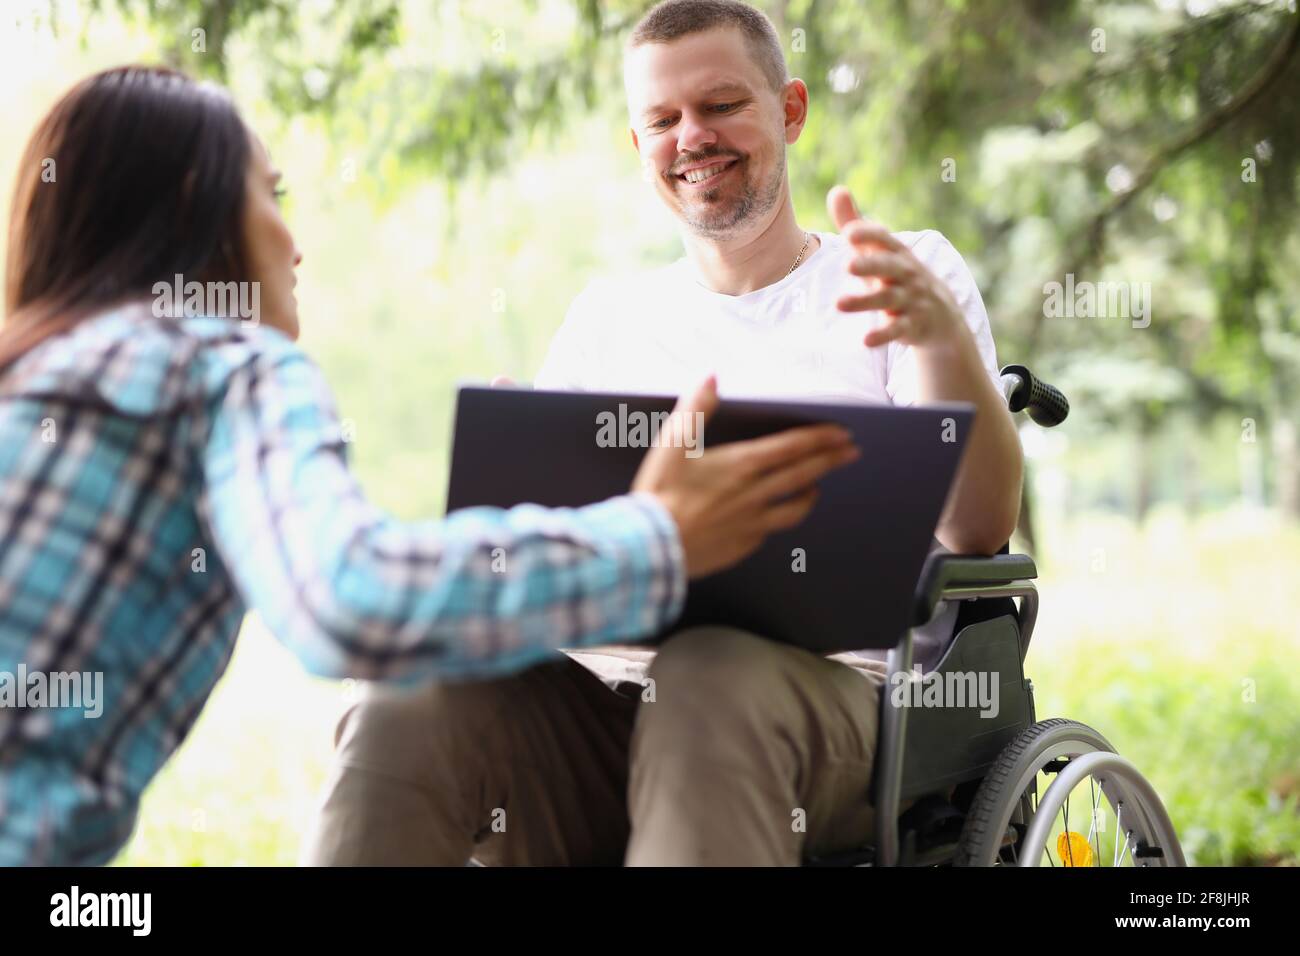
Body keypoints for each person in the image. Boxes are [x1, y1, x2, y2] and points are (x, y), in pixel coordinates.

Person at [0, 64, 858, 866]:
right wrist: (658, 537)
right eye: (272, 195)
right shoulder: (224, 368)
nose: (293, 245)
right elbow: (352, 603)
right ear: (200, 207)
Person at [305, 0, 1023, 866]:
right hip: (604, 711)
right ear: (637, 145)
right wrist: (513, 480)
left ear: (789, 110)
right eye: (662, 119)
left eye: (722, 106)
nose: (693, 137)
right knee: (412, 697)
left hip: (830, 711)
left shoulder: (902, 275)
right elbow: (547, 556)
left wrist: (939, 338)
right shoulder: (606, 317)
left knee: (709, 673)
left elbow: (979, 530)